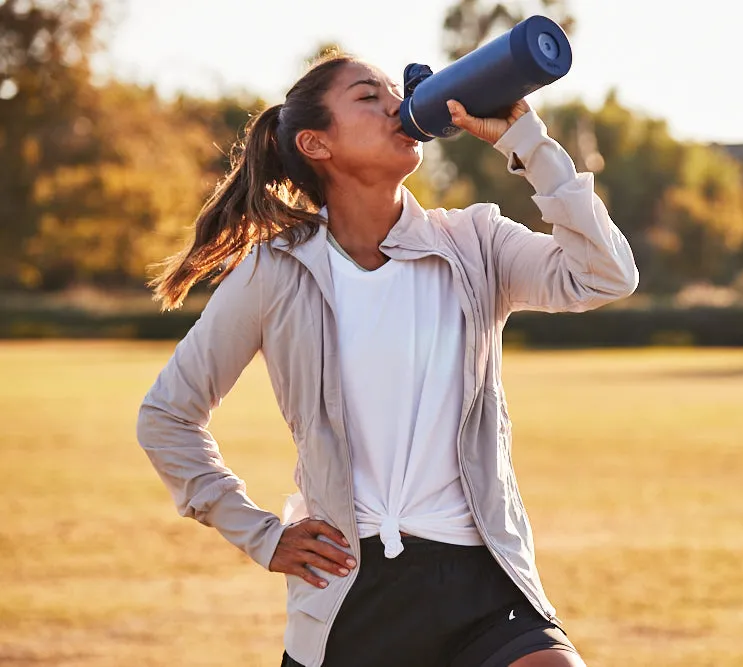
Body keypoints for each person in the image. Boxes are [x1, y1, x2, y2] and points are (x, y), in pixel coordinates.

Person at [136, 51, 638, 667]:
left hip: (483, 578)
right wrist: (262, 536)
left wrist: (526, 139)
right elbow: (167, 415)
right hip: (352, 593)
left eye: (392, 92)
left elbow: (605, 276)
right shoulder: (275, 271)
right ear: (316, 143)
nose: (396, 105)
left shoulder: (475, 242)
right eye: (367, 97)